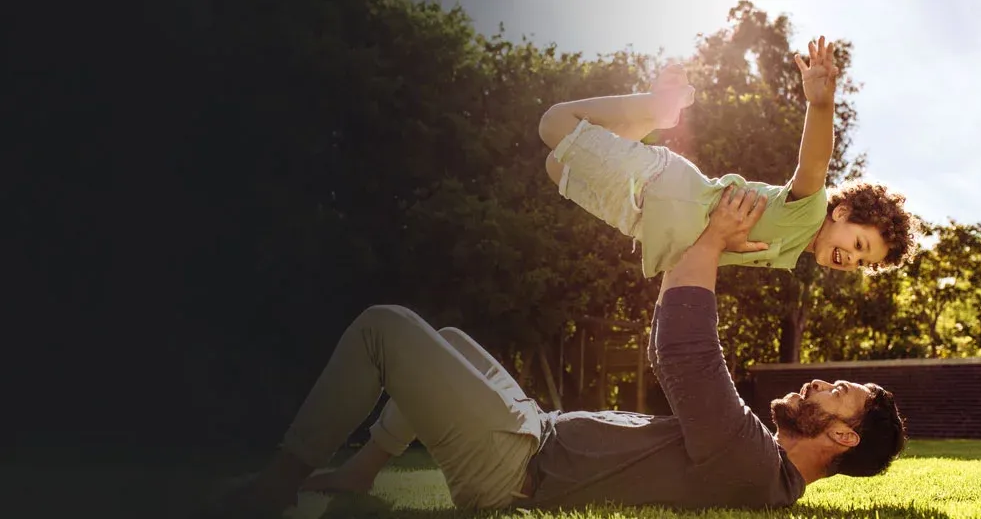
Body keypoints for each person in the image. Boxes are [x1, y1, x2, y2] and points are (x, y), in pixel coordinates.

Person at [215, 186, 908, 516]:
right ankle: (362, 474)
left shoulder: (756, 466)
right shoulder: (756, 455)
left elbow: (686, 352)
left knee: (385, 326)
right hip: (534, 428)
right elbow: (677, 353)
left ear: (844, 435)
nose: (819, 382)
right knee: (451, 340)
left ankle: (277, 487)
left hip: (517, 465)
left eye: (837, 392)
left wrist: (711, 242)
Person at [539, 36, 919, 279]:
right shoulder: (809, 212)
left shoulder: (790, 253)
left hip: (641, 221)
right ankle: (659, 110)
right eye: (858, 245)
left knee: (558, 168)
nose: (852, 261)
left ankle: (657, 116)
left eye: (863, 263)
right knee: (555, 123)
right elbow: (815, 163)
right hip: (667, 190)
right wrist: (821, 105)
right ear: (841, 213)